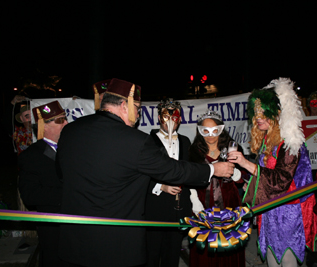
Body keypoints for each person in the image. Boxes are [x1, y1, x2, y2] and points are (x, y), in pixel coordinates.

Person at [57, 78, 234, 267]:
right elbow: (173, 170)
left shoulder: (70, 131)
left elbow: (61, 174)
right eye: (138, 108)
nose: (139, 114)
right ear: (125, 105)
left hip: (74, 240)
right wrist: (213, 168)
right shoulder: (136, 141)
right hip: (116, 246)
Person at [228, 78, 317, 267]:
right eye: (256, 113)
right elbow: (263, 177)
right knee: (270, 257)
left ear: (276, 114)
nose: (258, 117)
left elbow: (280, 180)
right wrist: (244, 181)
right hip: (269, 210)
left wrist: (245, 163)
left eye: (263, 113)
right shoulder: (267, 141)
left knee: (286, 259)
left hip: (288, 212)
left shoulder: (290, 143)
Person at [188, 109, 245, 267]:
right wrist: (194, 202)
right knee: (206, 249)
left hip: (229, 202)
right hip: (203, 204)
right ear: (200, 131)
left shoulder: (232, 148)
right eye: (205, 130)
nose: (210, 135)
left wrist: (235, 172)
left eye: (215, 130)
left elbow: (244, 179)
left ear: (222, 129)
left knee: (229, 245)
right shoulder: (194, 152)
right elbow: (188, 178)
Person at [18, 100, 68, 267]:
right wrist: (68, 194)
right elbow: (30, 195)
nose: (66, 123)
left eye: (65, 118)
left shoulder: (72, 148)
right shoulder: (31, 156)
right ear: (44, 126)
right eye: (60, 120)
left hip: (77, 223)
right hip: (53, 225)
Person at [145, 98, 192, 267]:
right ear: (159, 118)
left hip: (179, 209)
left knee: (172, 254)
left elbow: (191, 170)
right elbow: (140, 173)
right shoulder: (148, 142)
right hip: (155, 208)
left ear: (179, 119)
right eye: (166, 117)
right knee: (152, 253)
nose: (170, 122)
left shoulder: (186, 142)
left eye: (174, 118)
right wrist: (160, 186)